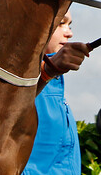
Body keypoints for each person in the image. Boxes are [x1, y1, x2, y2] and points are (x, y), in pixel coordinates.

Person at [23, 10, 91, 174]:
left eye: (69, 25)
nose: (69, 33)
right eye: (61, 23)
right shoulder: (18, 83)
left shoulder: (55, 85)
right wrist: (47, 71)